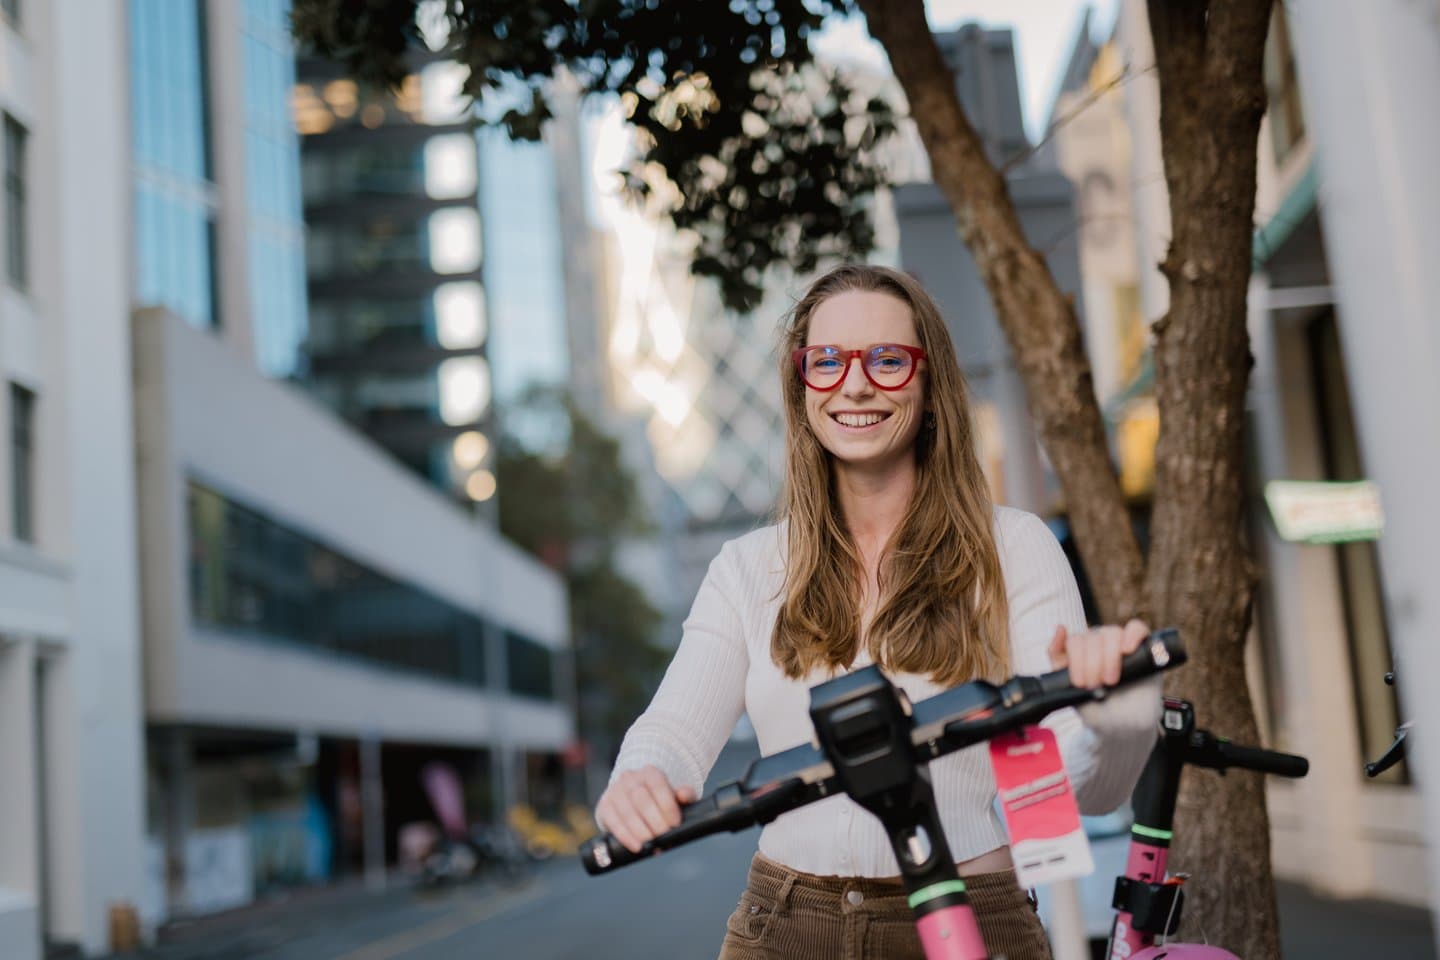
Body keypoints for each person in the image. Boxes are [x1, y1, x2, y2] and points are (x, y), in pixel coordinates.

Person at [596, 264, 1161, 960]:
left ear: (930, 387)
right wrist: (639, 777)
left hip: (971, 918)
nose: (855, 384)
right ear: (802, 385)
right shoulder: (747, 568)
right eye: (827, 361)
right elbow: (672, 734)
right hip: (784, 923)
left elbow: (1082, 782)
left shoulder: (1014, 549)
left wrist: (1120, 729)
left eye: (888, 360)